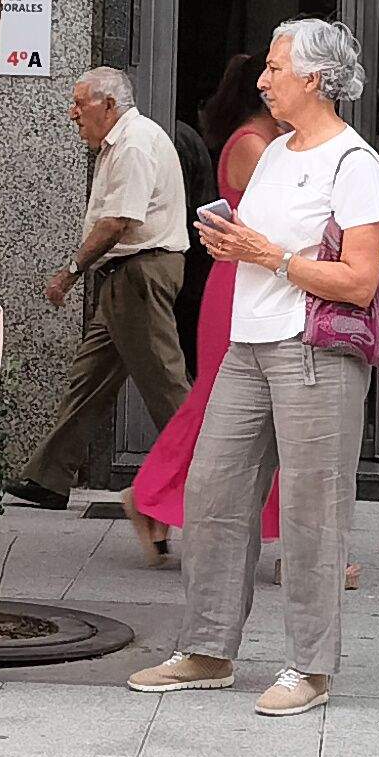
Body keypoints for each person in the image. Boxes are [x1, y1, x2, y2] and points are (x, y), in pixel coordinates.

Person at [127, 17, 379, 716]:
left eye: (276, 68)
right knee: (213, 496)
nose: (264, 79)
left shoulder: (355, 165)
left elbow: (359, 282)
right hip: (249, 345)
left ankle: (310, 665)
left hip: (314, 349)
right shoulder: (274, 153)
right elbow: (261, 243)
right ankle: (207, 650)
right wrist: (233, 244)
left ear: (315, 78)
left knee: (312, 512)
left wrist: (268, 256)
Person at [128, 53, 289, 560]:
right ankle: (150, 495)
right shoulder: (254, 145)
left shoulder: (257, 142)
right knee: (219, 403)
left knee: (231, 405)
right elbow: (281, 224)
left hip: (253, 283)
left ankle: (154, 499)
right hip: (244, 285)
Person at [13, 67, 193, 511]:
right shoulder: (123, 141)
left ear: (109, 105)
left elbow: (117, 222)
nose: (73, 113)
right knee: (87, 381)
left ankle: (212, 478)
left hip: (140, 272)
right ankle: (48, 478)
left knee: (166, 386)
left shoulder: (134, 143)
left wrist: (69, 273)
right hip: (127, 276)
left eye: (80, 103)